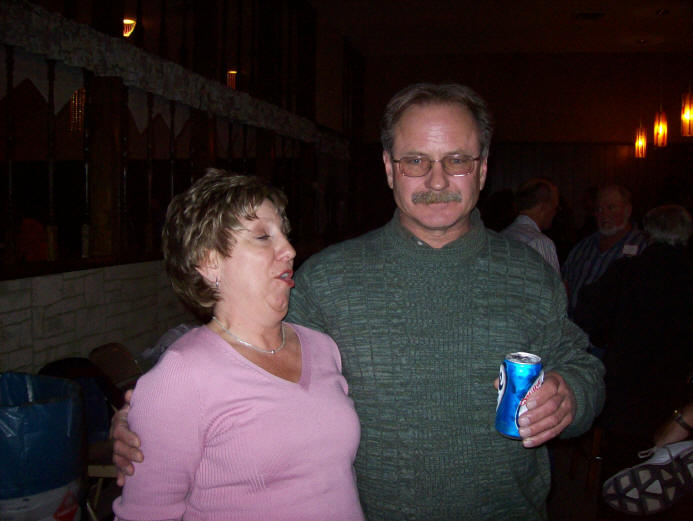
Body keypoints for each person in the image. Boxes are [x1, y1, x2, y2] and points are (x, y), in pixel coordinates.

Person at [112, 83, 605, 520]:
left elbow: (580, 361)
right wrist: (146, 417)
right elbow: (238, 348)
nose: (437, 181)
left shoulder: (529, 274)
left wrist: (572, 395)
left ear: (483, 169)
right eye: (416, 161)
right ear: (389, 168)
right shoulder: (327, 279)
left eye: (457, 160)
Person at [111, 169, 364, 521]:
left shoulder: (323, 348)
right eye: (262, 236)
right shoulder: (184, 373)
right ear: (209, 262)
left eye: (285, 234)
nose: (290, 250)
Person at [574, 205, 693, 518]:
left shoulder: (628, 271)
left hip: (627, 397)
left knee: (620, 486)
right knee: (672, 488)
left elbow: (587, 316)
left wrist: (608, 338)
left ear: (648, 232)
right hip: (677, 401)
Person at [562, 184, 647, 316]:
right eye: (598, 209)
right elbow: (564, 284)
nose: (603, 214)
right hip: (576, 325)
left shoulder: (644, 247)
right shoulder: (583, 247)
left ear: (627, 210)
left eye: (610, 208)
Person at [501, 178, 561, 272]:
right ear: (544, 207)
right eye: (555, 207)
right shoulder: (539, 242)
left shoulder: (503, 236)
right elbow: (551, 281)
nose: (555, 213)